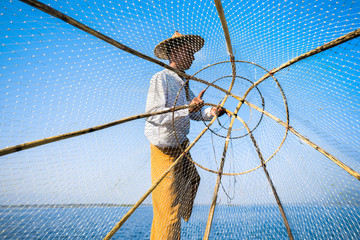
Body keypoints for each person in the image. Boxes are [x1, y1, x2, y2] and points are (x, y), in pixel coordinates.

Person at [145, 31, 227, 239]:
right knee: (168, 211)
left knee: (192, 180)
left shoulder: (183, 81)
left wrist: (212, 112)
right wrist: (187, 109)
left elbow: (196, 112)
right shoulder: (161, 78)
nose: (192, 57)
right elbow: (154, 115)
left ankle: (171, 207)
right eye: (189, 52)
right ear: (174, 52)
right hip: (165, 150)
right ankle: (168, 214)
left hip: (181, 146)